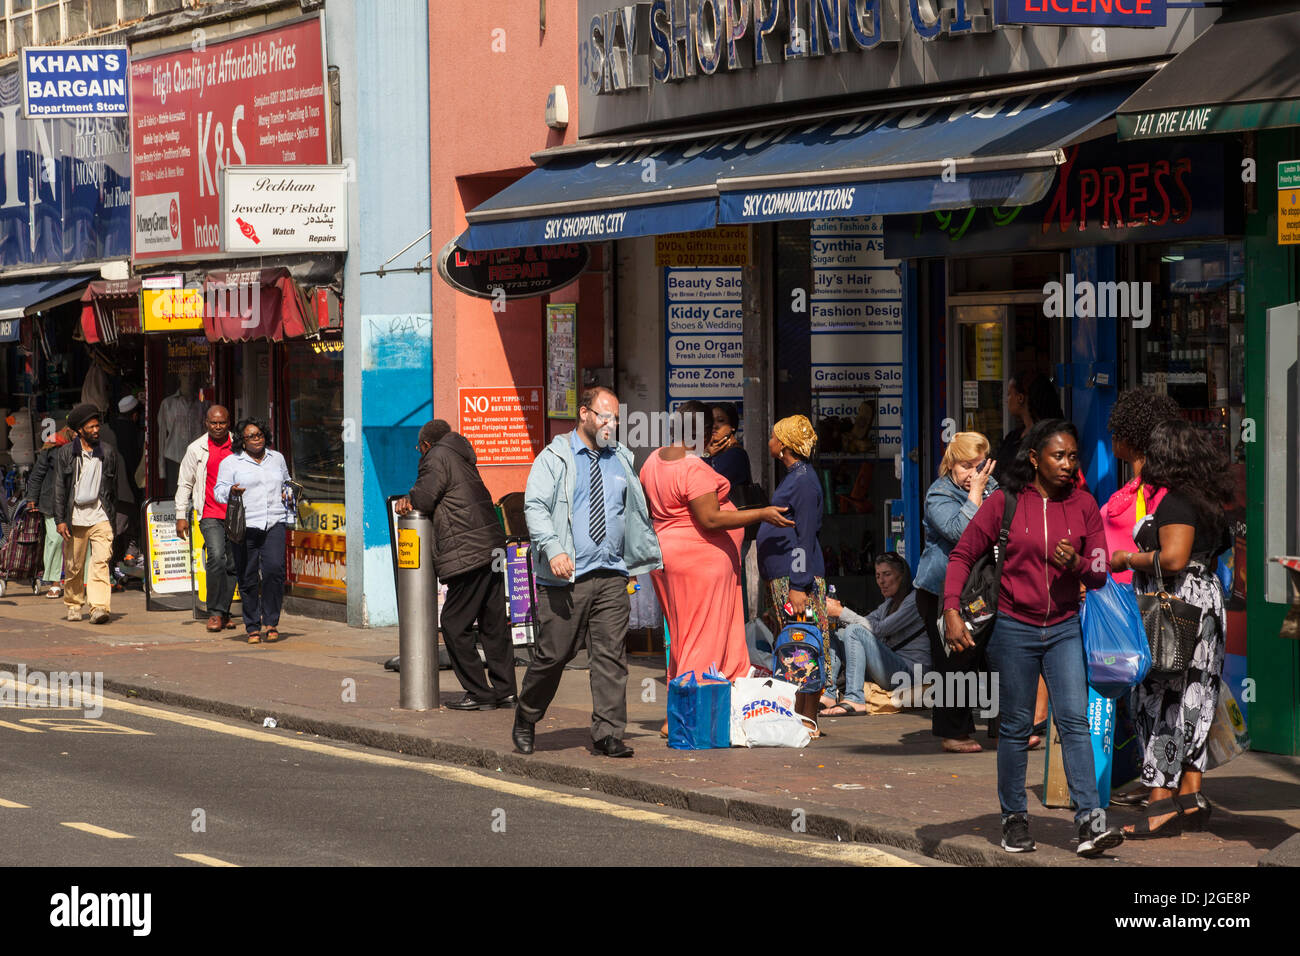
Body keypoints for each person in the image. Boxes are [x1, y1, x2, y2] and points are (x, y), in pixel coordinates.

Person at [944, 419, 1124, 858]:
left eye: (1073, 457)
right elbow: (964, 553)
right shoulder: (1005, 503)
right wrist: (951, 609)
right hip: (1013, 627)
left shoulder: (1084, 505)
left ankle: (1089, 822)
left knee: (1074, 722)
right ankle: (1014, 820)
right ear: (1034, 459)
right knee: (1015, 726)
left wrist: (1080, 562)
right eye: (1058, 456)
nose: (1067, 464)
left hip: (1063, 626)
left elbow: (1100, 572)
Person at [512, 387, 663, 758]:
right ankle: (526, 715)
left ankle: (608, 733)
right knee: (554, 655)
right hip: (566, 576)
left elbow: (632, 514)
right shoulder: (555, 458)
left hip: (612, 574)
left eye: (615, 418)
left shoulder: (621, 459)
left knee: (611, 657)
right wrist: (553, 549)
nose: (610, 424)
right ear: (583, 414)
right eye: (603, 416)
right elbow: (534, 506)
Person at [1109, 419, 1233, 837]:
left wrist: (1128, 559)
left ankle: (1160, 804)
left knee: (1161, 701)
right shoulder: (1209, 501)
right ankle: (1191, 798)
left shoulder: (1178, 502)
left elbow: (1174, 558)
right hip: (1207, 608)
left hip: (1176, 610)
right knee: (1195, 700)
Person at [639, 400, 792, 724]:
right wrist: (763, 512)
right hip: (699, 566)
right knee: (703, 640)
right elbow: (709, 519)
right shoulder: (692, 468)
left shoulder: (653, 461)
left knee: (683, 639)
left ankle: (688, 713)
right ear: (704, 431)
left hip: (667, 560)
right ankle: (686, 720)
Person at [396, 419, 518, 711]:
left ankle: (479, 693)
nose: (420, 453)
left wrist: (408, 500)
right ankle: (505, 691)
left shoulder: (436, 456)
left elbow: (424, 497)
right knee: (493, 624)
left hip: (469, 553)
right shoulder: (461, 455)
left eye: (419, 448)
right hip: (491, 548)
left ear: (426, 444)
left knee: (453, 624)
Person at [913, 431, 999, 752]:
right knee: (953, 660)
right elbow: (962, 533)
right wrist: (976, 493)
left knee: (992, 657)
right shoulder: (939, 495)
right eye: (966, 466)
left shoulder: (992, 487)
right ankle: (954, 733)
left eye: (980, 466)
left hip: (982, 589)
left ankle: (1001, 727)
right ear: (951, 463)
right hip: (939, 591)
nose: (974, 474)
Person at [757, 414, 829, 726]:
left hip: (795, 578)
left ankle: (807, 718)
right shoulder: (794, 476)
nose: (770, 441)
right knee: (791, 644)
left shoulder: (803, 482)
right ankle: (795, 715)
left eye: (774, 437)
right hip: (783, 575)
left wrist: (799, 584)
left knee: (805, 643)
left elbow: (805, 535)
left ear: (784, 445)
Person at [820, 552, 929, 716]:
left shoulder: (914, 601)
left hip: (910, 675)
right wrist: (837, 614)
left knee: (854, 631)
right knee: (838, 633)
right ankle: (829, 693)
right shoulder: (888, 604)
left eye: (887, 574)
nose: (881, 581)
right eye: (878, 576)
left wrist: (841, 612)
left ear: (902, 576)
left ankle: (854, 698)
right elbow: (866, 622)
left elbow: (877, 629)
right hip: (890, 670)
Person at [214, 418, 290, 644]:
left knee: (274, 571)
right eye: (251, 437)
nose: (256, 440)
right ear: (242, 441)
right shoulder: (231, 462)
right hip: (245, 525)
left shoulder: (277, 458)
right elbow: (218, 492)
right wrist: (232, 491)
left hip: (274, 521)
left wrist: (289, 492)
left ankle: (272, 622)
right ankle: (252, 626)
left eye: (259, 435)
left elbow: (286, 482)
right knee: (247, 576)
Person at [1101, 389, 1182, 586]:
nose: (1112, 435)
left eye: (1119, 429)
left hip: (1132, 602)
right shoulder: (1160, 489)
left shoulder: (1149, 493)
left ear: (1132, 437)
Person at [51, 403, 118, 625]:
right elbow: (60, 487)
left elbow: (112, 488)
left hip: (100, 515)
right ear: (80, 430)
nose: (96, 430)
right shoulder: (66, 453)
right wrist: (60, 520)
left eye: (97, 426)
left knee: (101, 561)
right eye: (91, 427)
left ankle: (99, 607)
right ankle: (73, 603)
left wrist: (112, 517)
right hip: (75, 517)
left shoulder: (107, 452)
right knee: (74, 565)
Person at [175, 405, 238, 632]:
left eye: (222, 422)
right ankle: (214, 612)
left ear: (229, 422)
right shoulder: (196, 449)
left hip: (236, 513)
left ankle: (224, 611)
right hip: (209, 512)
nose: (218, 427)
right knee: (217, 558)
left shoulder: (239, 446)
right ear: (206, 423)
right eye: (213, 423)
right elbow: (185, 482)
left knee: (232, 564)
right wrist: (180, 515)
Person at [21, 424, 73, 598]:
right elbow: (37, 474)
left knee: (81, 542)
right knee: (55, 540)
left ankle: (83, 581)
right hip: (50, 501)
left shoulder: (86, 447)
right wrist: (31, 499)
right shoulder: (52, 447)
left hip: (74, 502)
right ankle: (55, 582)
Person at [158, 372, 208, 495]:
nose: (189, 379)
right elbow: (162, 436)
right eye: (186, 375)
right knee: (175, 497)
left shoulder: (203, 404)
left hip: (198, 458)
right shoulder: (168, 404)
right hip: (174, 457)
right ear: (180, 377)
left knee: (198, 496)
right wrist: (161, 468)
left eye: (192, 376)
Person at [703, 402, 752, 490]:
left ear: (732, 426)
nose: (714, 426)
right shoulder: (711, 451)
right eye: (710, 421)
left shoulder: (735, 454)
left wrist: (706, 455)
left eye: (720, 420)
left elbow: (709, 484)